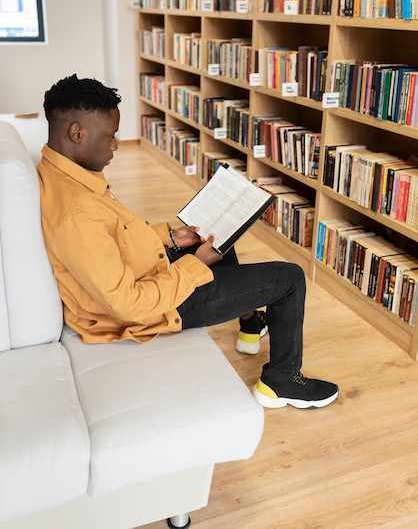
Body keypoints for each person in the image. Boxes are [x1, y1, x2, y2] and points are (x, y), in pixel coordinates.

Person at [37, 74, 338, 410]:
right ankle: (281, 381)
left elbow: (115, 241)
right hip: (153, 309)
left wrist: (170, 238)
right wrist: (196, 264)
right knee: (290, 278)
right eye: (110, 136)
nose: (115, 145)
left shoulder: (65, 177)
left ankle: (252, 324)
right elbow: (128, 304)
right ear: (76, 133)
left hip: (147, 277)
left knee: (217, 234)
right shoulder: (76, 212)